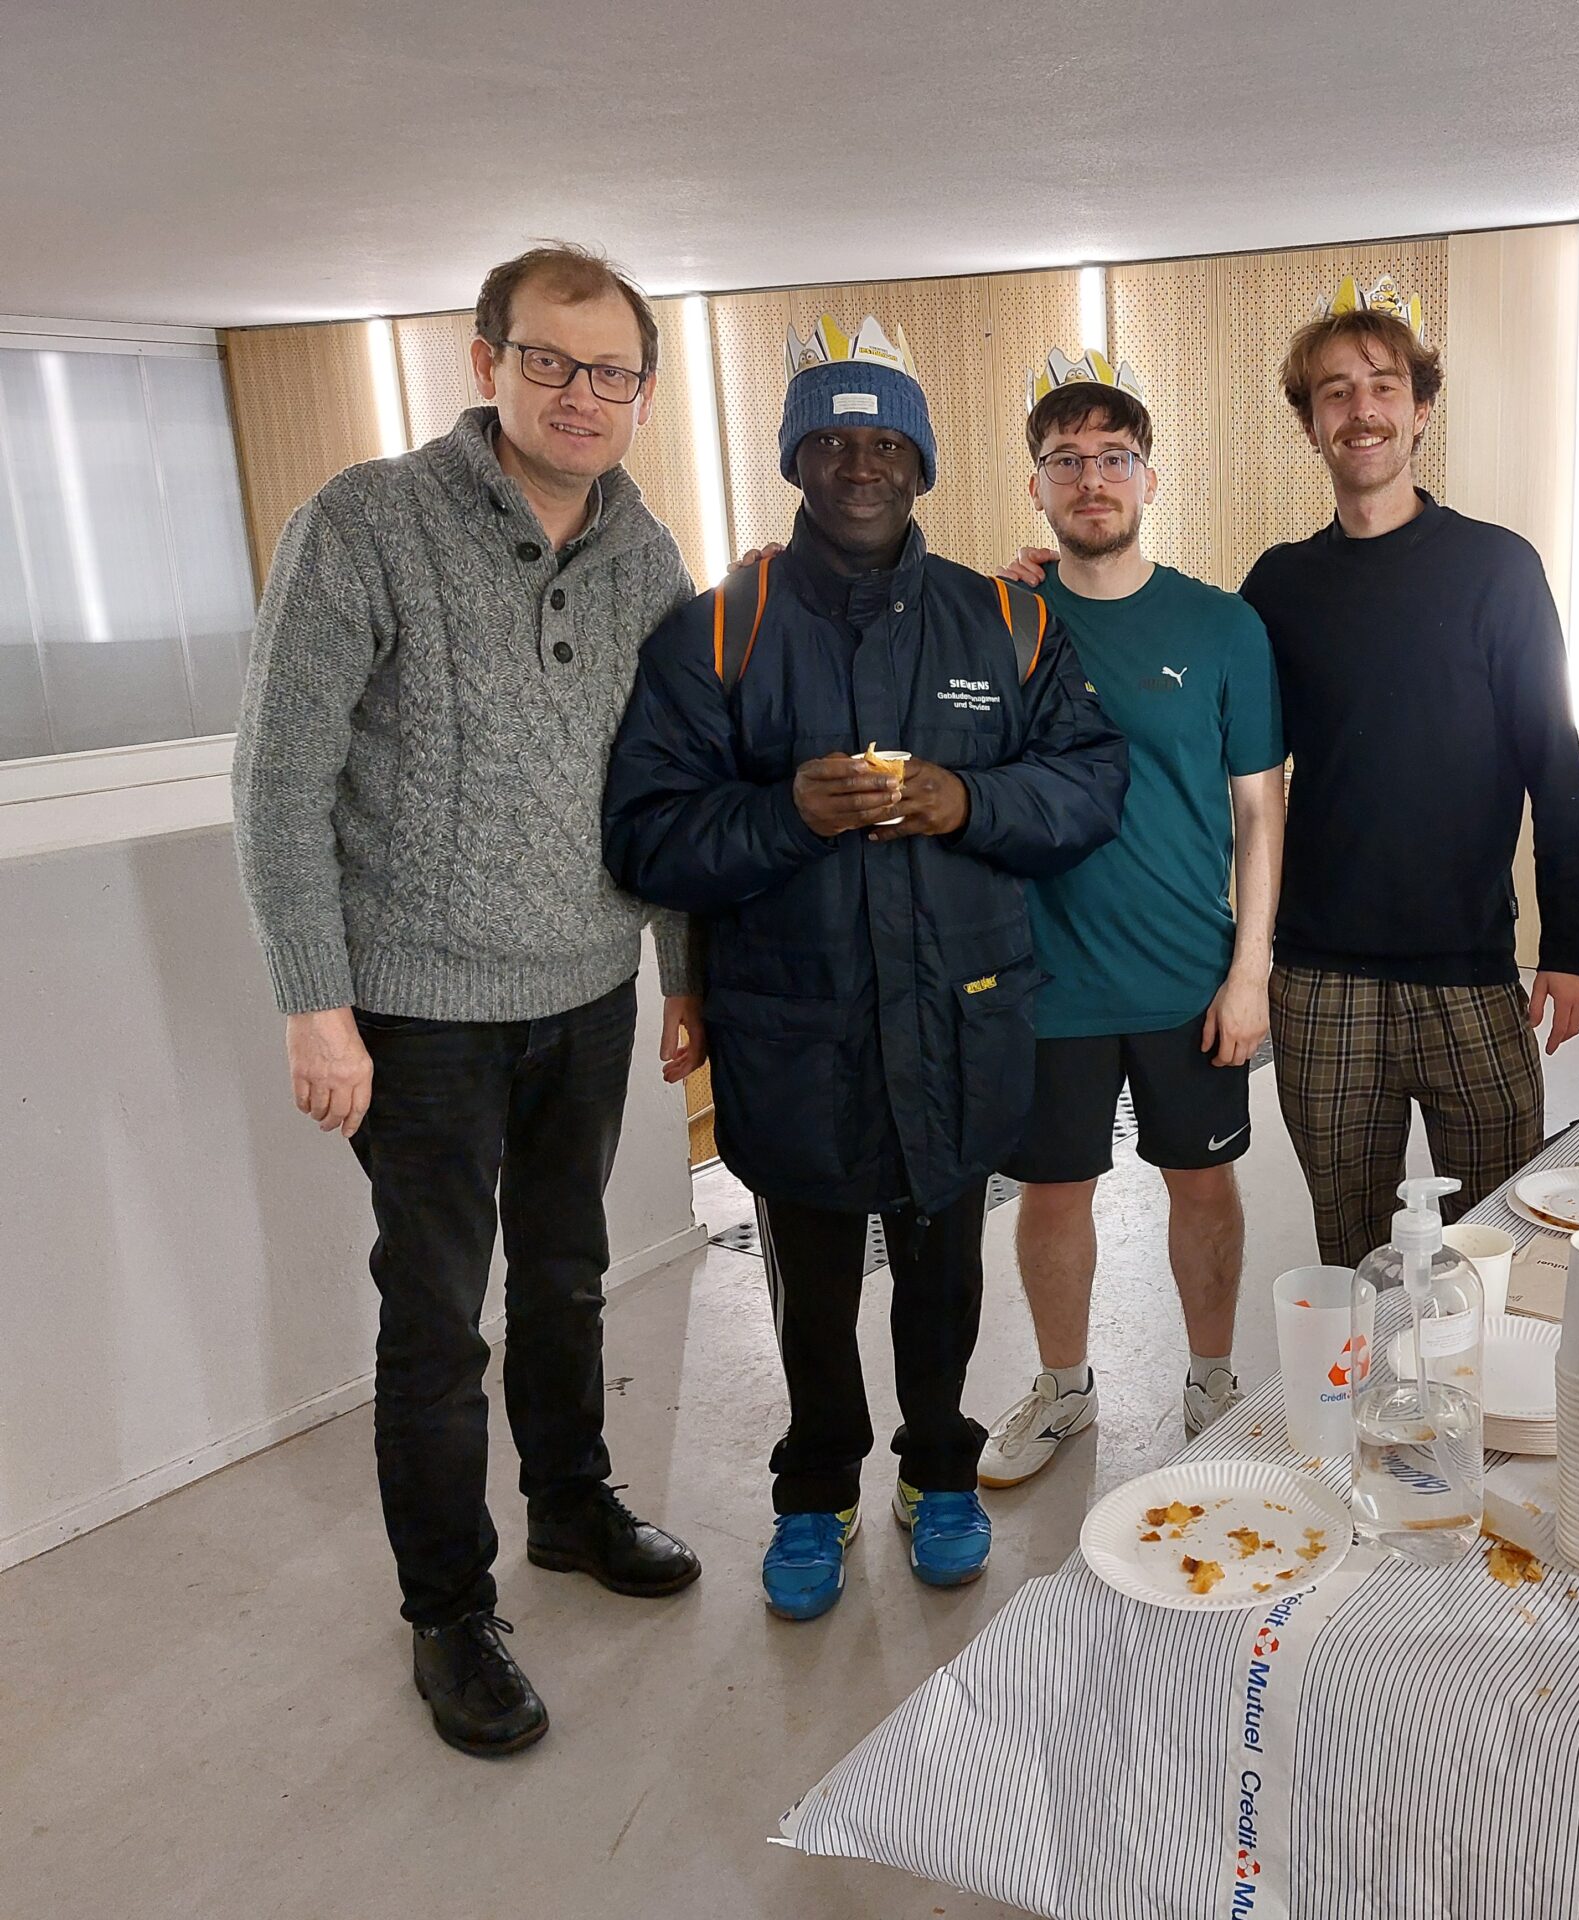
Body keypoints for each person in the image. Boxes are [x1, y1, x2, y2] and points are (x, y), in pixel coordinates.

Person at [232, 243, 705, 1759]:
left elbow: (672, 785)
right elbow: (280, 777)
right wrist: (317, 1002)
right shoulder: (364, 524)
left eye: (612, 371)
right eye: (551, 361)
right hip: (417, 1012)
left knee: (569, 1275)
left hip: (590, 988)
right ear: (485, 360)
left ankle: (569, 1504)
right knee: (435, 1325)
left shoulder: (648, 554)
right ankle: (449, 1608)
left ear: (644, 389)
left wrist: (683, 973)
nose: (582, 395)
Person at [602, 316, 1126, 1620]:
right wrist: (790, 812)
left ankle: (938, 1473)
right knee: (816, 1291)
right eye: (831, 437)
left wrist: (964, 801)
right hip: (796, 1035)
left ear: (922, 461)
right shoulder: (717, 633)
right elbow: (647, 832)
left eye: (883, 436)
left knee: (943, 1277)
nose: (858, 461)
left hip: (961, 1020)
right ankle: (816, 1488)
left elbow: (1090, 784)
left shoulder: (1006, 624)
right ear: (795, 457)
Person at [1240, 278, 1579, 1267]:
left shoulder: (1497, 568)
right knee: (1354, 1255)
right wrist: (1058, 598)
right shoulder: (1280, 584)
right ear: (1310, 425)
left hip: (1470, 974)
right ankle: (1366, 1415)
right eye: (1333, 393)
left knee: (1496, 1247)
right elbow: (1214, 736)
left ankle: (1481, 1420)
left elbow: (1551, 765)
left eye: (1381, 386)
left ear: (1419, 409)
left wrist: (1573, 945)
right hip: (1320, 979)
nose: (1360, 410)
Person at [975, 352, 1286, 1488]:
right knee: (1053, 1192)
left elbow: (1260, 807)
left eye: (1113, 459)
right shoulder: (998, 622)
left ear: (1149, 480)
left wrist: (1249, 968)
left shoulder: (1220, 627)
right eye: (1067, 461)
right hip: (1042, 978)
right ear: (1038, 487)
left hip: (1185, 975)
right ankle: (1064, 1390)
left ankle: (1210, 1376)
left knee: (1201, 1184)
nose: (1090, 479)